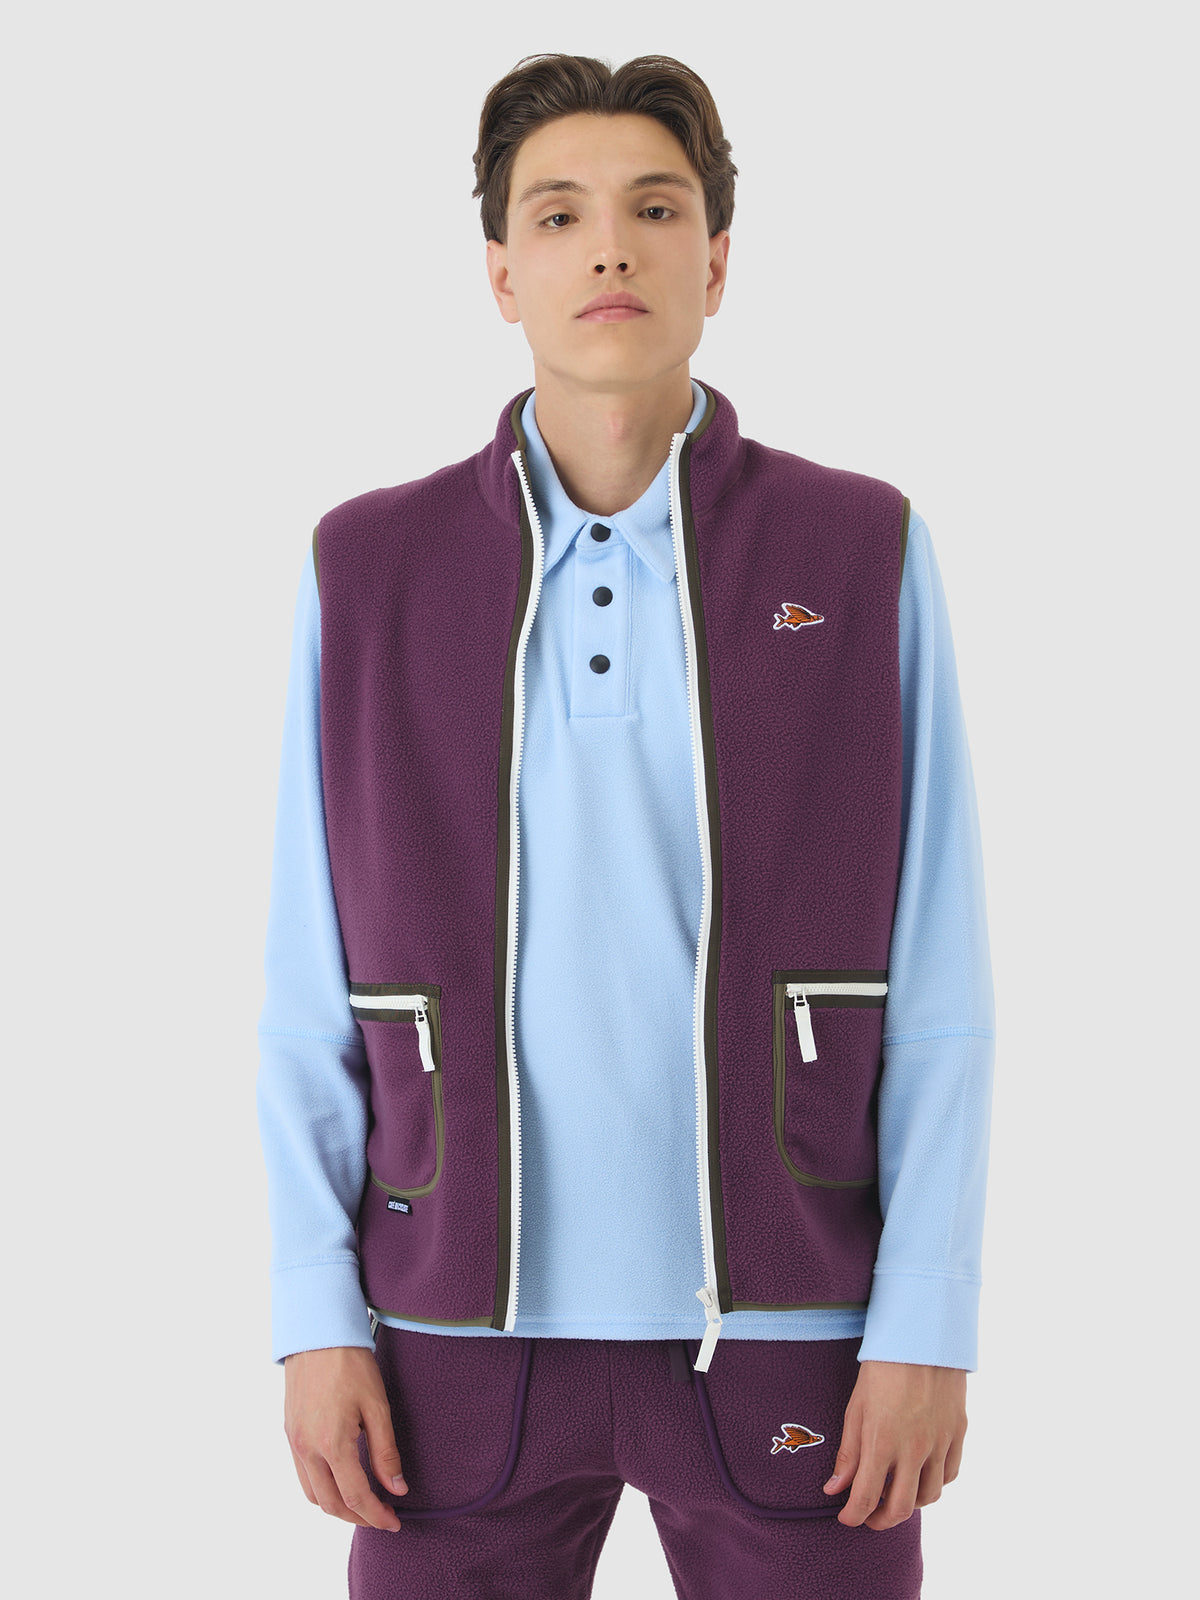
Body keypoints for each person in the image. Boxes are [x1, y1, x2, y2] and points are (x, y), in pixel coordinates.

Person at [256, 51, 996, 1600]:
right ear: (499, 274)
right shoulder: (367, 570)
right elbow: (304, 990)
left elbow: (939, 978)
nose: (610, 248)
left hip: (794, 1327)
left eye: (656, 211)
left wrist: (925, 1318)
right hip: (446, 1335)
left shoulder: (859, 549)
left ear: (715, 263)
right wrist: (315, 1311)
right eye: (560, 215)